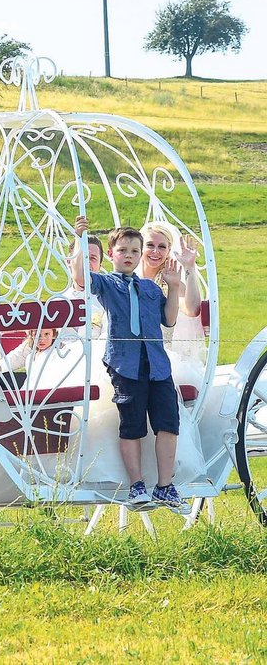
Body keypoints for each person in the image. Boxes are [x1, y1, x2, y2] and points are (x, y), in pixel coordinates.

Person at [71, 215, 188, 513]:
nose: (129, 256)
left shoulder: (150, 289)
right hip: (126, 365)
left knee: (168, 424)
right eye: (123, 250)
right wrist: (81, 241)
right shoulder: (107, 284)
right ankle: (137, 484)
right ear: (112, 254)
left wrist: (174, 286)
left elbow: (170, 319)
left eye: (135, 251)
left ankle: (164, 486)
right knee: (133, 425)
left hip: (158, 365)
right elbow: (82, 277)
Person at [138, 221, 208, 385]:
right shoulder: (129, 277)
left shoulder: (169, 281)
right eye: (150, 245)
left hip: (162, 359)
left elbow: (192, 309)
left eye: (162, 246)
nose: (156, 251)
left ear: (169, 250)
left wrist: (189, 267)